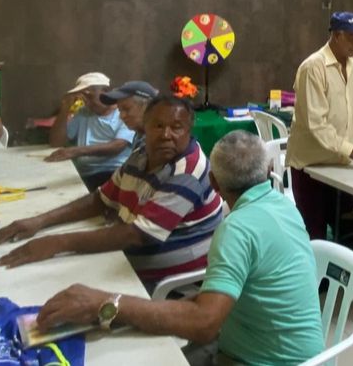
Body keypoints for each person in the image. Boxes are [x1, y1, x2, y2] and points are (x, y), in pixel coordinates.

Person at [34, 130, 323, 366]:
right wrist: (127, 311)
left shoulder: (237, 229)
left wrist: (108, 303)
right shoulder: (284, 207)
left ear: (213, 182)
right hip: (302, 354)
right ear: (269, 169)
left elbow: (205, 323)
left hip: (258, 359)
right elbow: (216, 301)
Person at [0, 96, 223, 288]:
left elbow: (136, 235)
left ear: (189, 131)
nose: (166, 134)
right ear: (146, 127)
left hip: (165, 275)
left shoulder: (188, 171)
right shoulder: (142, 154)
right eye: (158, 126)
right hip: (130, 253)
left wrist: (56, 242)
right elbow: (102, 199)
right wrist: (39, 221)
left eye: (176, 127)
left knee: (49, 281)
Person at [286, 11, 353, 240]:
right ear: (337, 35)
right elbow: (316, 124)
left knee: (346, 227)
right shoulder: (313, 67)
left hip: (339, 164)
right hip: (311, 166)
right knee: (315, 232)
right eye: (352, 38)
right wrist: (350, 148)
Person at [47, 72, 136, 191]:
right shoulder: (83, 113)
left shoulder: (123, 114)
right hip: (85, 173)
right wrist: (65, 108)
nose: (86, 102)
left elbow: (117, 146)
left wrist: (76, 151)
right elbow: (56, 142)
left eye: (89, 96)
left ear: (106, 91)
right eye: (83, 98)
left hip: (113, 172)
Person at [99, 80, 159, 148]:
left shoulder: (160, 141)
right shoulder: (140, 136)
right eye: (120, 110)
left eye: (127, 109)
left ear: (147, 106)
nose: (122, 116)